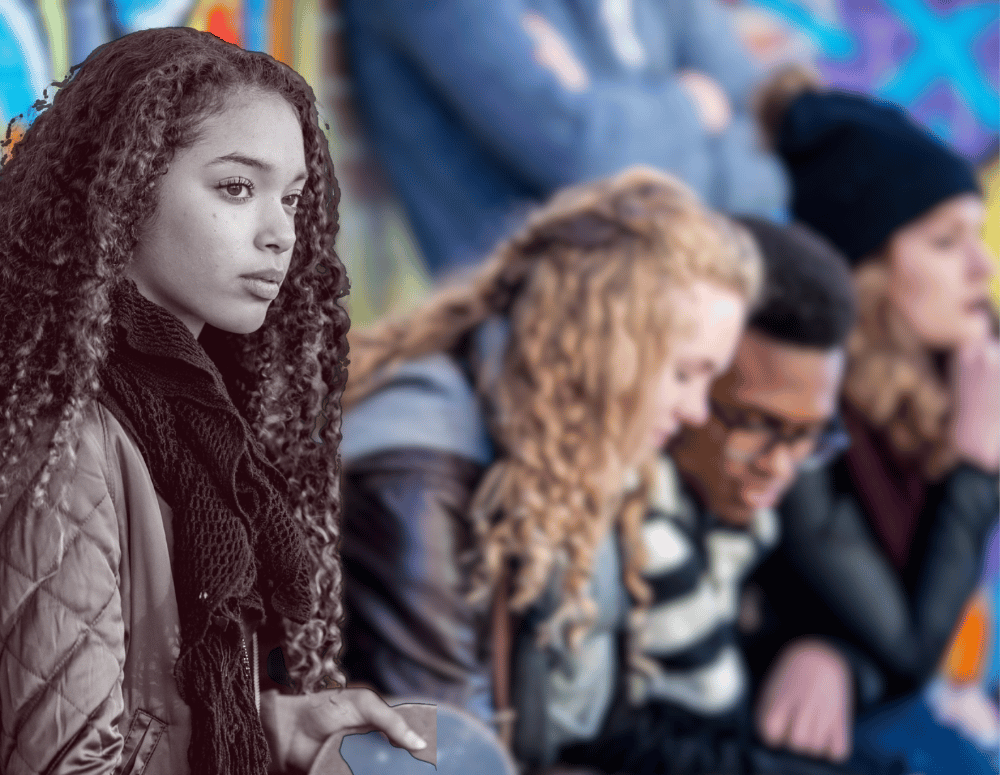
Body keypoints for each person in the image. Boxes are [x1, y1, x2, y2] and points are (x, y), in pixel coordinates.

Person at [0, 27, 428, 775]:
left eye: (292, 199)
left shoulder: (189, 417)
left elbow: (137, 717)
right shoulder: (68, 432)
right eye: (236, 187)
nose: (279, 234)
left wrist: (268, 728)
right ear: (124, 188)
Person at [337, 167, 759, 770]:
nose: (696, 411)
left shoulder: (555, 442)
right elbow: (443, 760)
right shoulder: (420, 481)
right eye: (684, 373)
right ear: (606, 355)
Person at [552, 216, 880, 775]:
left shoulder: (744, 512)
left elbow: (843, 620)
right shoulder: (609, 527)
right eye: (754, 422)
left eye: (809, 435)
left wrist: (831, 654)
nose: (780, 466)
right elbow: (604, 738)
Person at [742, 71, 1000, 775]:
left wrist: (842, 657)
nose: (982, 267)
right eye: (947, 243)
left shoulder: (967, 370)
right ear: (872, 271)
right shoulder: (804, 414)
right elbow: (910, 646)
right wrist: (976, 471)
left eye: (977, 237)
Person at [341, 0, 789, 277]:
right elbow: (584, 158)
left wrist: (604, 111)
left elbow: (772, 144)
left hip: (668, 317)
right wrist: (694, 107)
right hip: (539, 343)